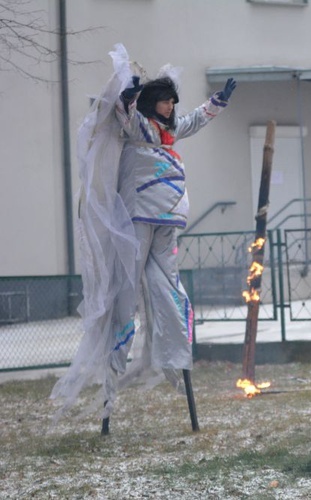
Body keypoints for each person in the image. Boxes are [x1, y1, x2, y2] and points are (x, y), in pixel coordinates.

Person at [51, 43, 237, 419]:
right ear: (153, 102)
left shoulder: (171, 129)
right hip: (139, 216)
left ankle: (173, 350)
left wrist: (217, 101)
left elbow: (197, 119)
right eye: (166, 101)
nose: (171, 107)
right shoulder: (138, 127)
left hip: (169, 218)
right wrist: (128, 96)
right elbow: (124, 114)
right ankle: (120, 346)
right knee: (128, 284)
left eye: (173, 101)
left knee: (168, 285)